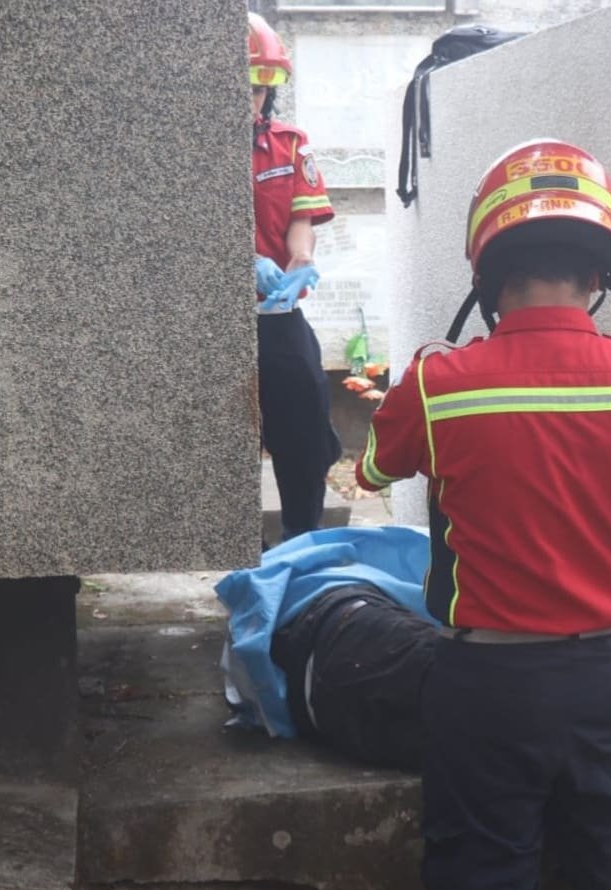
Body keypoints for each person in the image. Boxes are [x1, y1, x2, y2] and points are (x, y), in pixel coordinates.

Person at [354, 139, 611, 890]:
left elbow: (373, 469)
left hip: (487, 683)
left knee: (482, 872)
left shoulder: (440, 386)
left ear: (490, 276)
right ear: (601, 276)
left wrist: (422, 370)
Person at [249, 13, 341, 543]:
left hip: (275, 311)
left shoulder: (288, 145)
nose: (256, 101)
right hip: (211, 316)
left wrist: (298, 264)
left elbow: (300, 223)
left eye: (264, 90)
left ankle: (301, 535)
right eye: (246, 88)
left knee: (306, 411)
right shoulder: (187, 152)